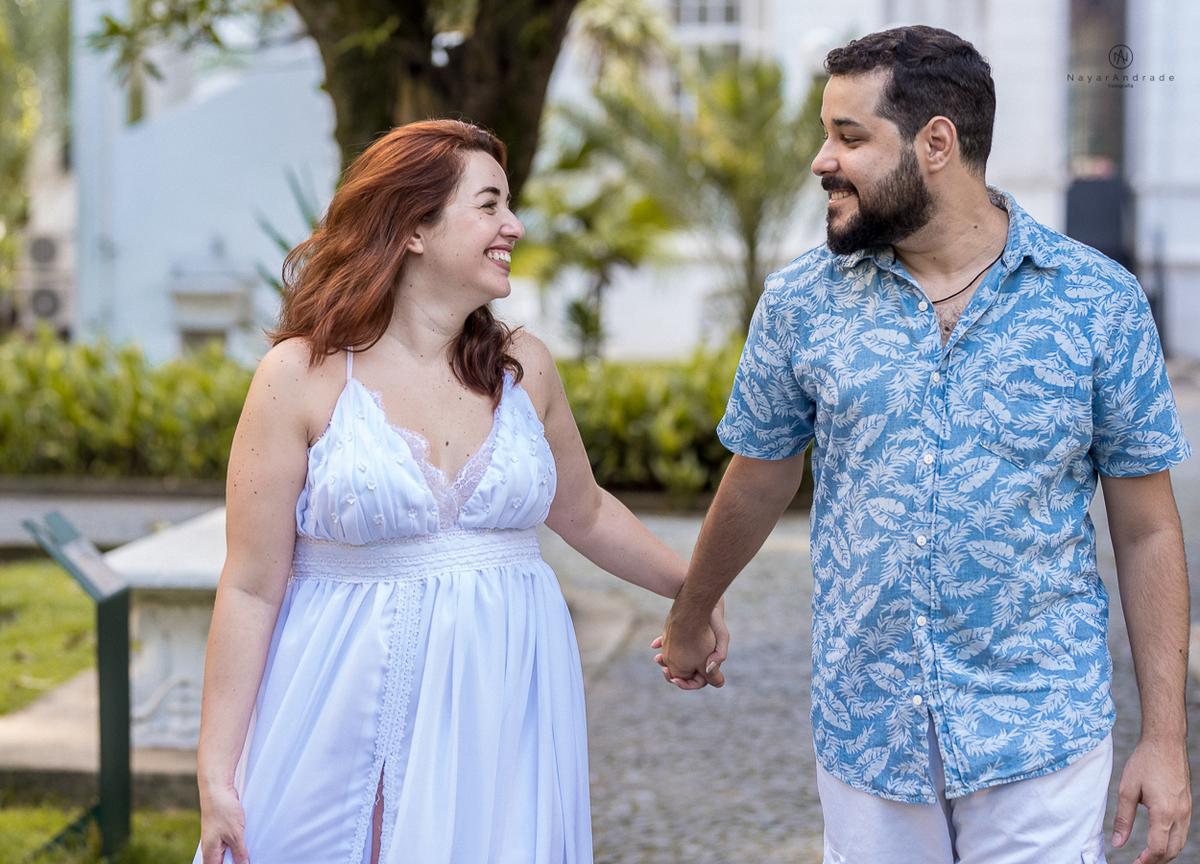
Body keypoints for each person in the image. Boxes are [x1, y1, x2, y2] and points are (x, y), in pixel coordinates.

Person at [658, 25, 1192, 864]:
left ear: (935, 143)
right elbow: (758, 477)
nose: (820, 160)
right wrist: (691, 612)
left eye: (848, 136)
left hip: (1041, 732)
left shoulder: (1098, 303)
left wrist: (1165, 738)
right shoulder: (802, 303)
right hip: (869, 733)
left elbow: (1148, 528)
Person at [194, 119, 727, 864]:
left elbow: (586, 510)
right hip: (342, 703)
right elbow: (251, 587)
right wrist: (217, 773)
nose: (513, 225)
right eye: (489, 205)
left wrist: (695, 591)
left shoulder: (524, 367)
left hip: (500, 702)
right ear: (414, 227)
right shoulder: (299, 377)